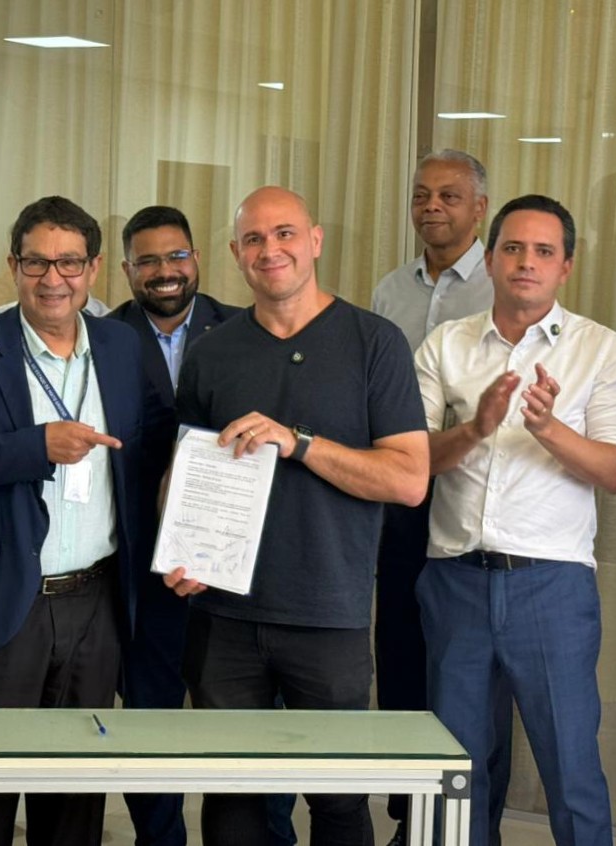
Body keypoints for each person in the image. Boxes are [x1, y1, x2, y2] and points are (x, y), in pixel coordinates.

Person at [165, 186, 429, 846]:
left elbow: (408, 479)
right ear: (236, 253)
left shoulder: (374, 342)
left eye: (284, 233)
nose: (269, 250)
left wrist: (300, 443)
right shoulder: (211, 352)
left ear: (314, 240)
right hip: (223, 616)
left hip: (328, 616)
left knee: (337, 801)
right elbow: (183, 471)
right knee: (233, 800)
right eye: (253, 239)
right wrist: (181, 550)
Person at [0, 195, 170, 846]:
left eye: (69, 263)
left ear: (94, 268)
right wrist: (36, 446)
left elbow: (157, 448)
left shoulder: (120, 346)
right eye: (36, 262)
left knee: (75, 794)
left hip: (96, 603)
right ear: (13, 266)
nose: (53, 279)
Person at [414, 194, 616, 846]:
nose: (526, 262)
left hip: (552, 586)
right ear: (489, 259)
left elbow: (615, 470)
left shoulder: (600, 349)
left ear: (566, 266)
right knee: (457, 774)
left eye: (544, 251)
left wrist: (548, 429)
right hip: (456, 580)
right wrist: (476, 428)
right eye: (513, 248)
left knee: (570, 768)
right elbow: (411, 463)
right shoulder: (445, 344)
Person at [368, 149, 507, 846]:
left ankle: (474, 823)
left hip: (473, 502)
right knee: (400, 656)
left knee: (471, 676)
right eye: (422, 195)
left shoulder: (502, 284)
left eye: (449, 196)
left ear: (479, 208)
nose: (432, 207)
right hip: (400, 502)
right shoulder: (390, 290)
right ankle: (409, 816)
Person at [108, 204, 242, 846]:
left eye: (177, 256)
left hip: (231, 563)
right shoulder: (102, 338)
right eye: (149, 261)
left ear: (198, 258)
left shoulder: (245, 330)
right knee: (149, 720)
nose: (165, 270)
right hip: (139, 562)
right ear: (128, 270)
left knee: (239, 721)